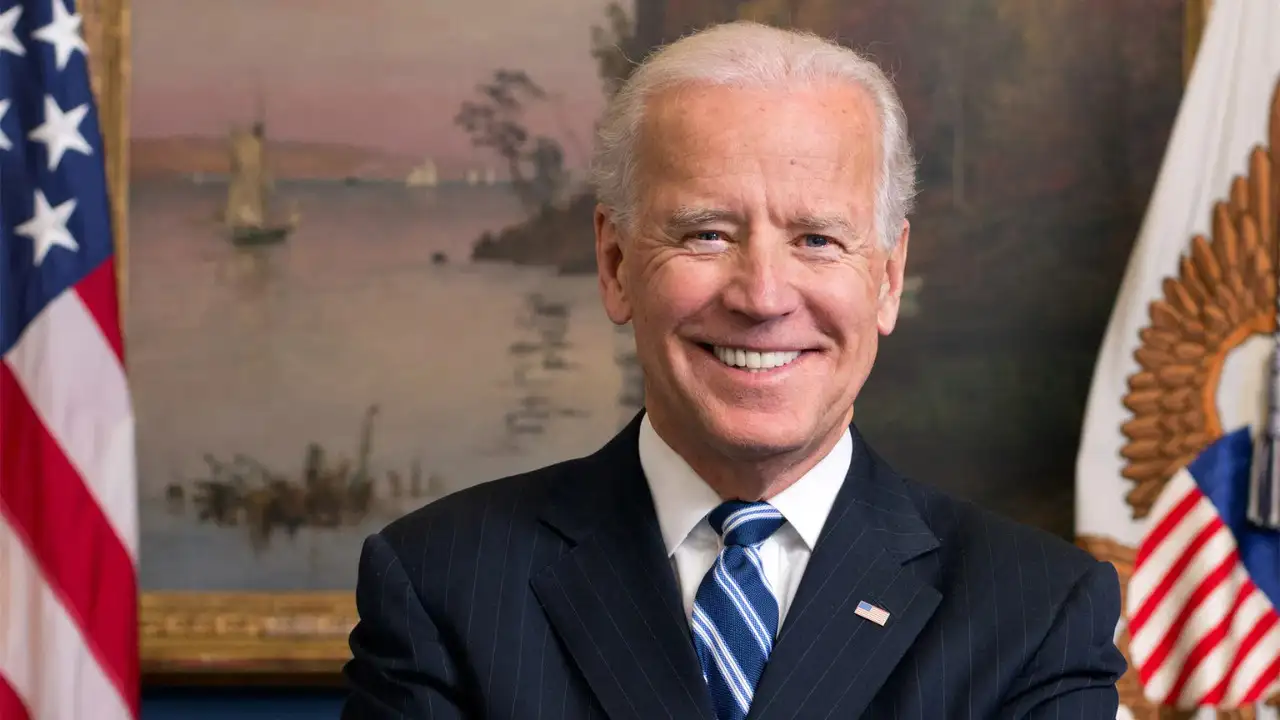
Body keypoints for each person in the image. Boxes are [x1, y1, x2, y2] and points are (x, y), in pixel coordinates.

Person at [341, 20, 1126, 719]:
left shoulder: (1034, 612)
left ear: (887, 279)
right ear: (615, 265)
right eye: (708, 234)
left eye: (818, 239)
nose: (763, 296)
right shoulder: (445, 585)